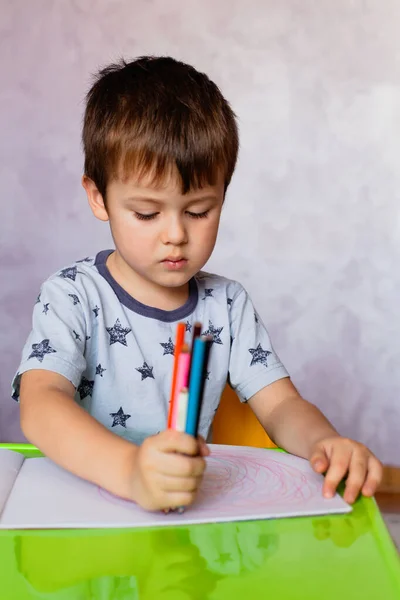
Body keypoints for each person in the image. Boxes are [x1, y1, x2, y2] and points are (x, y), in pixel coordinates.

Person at [12, 56, 382, 512]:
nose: (175, 234)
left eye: (198, 211)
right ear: (98, 197)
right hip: (85, 509)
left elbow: (282, 406)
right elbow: (41, 405)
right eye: (147, 213)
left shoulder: (226, 304)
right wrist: (131, 472)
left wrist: (326, 442)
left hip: (183, 515)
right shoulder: (72, 295)